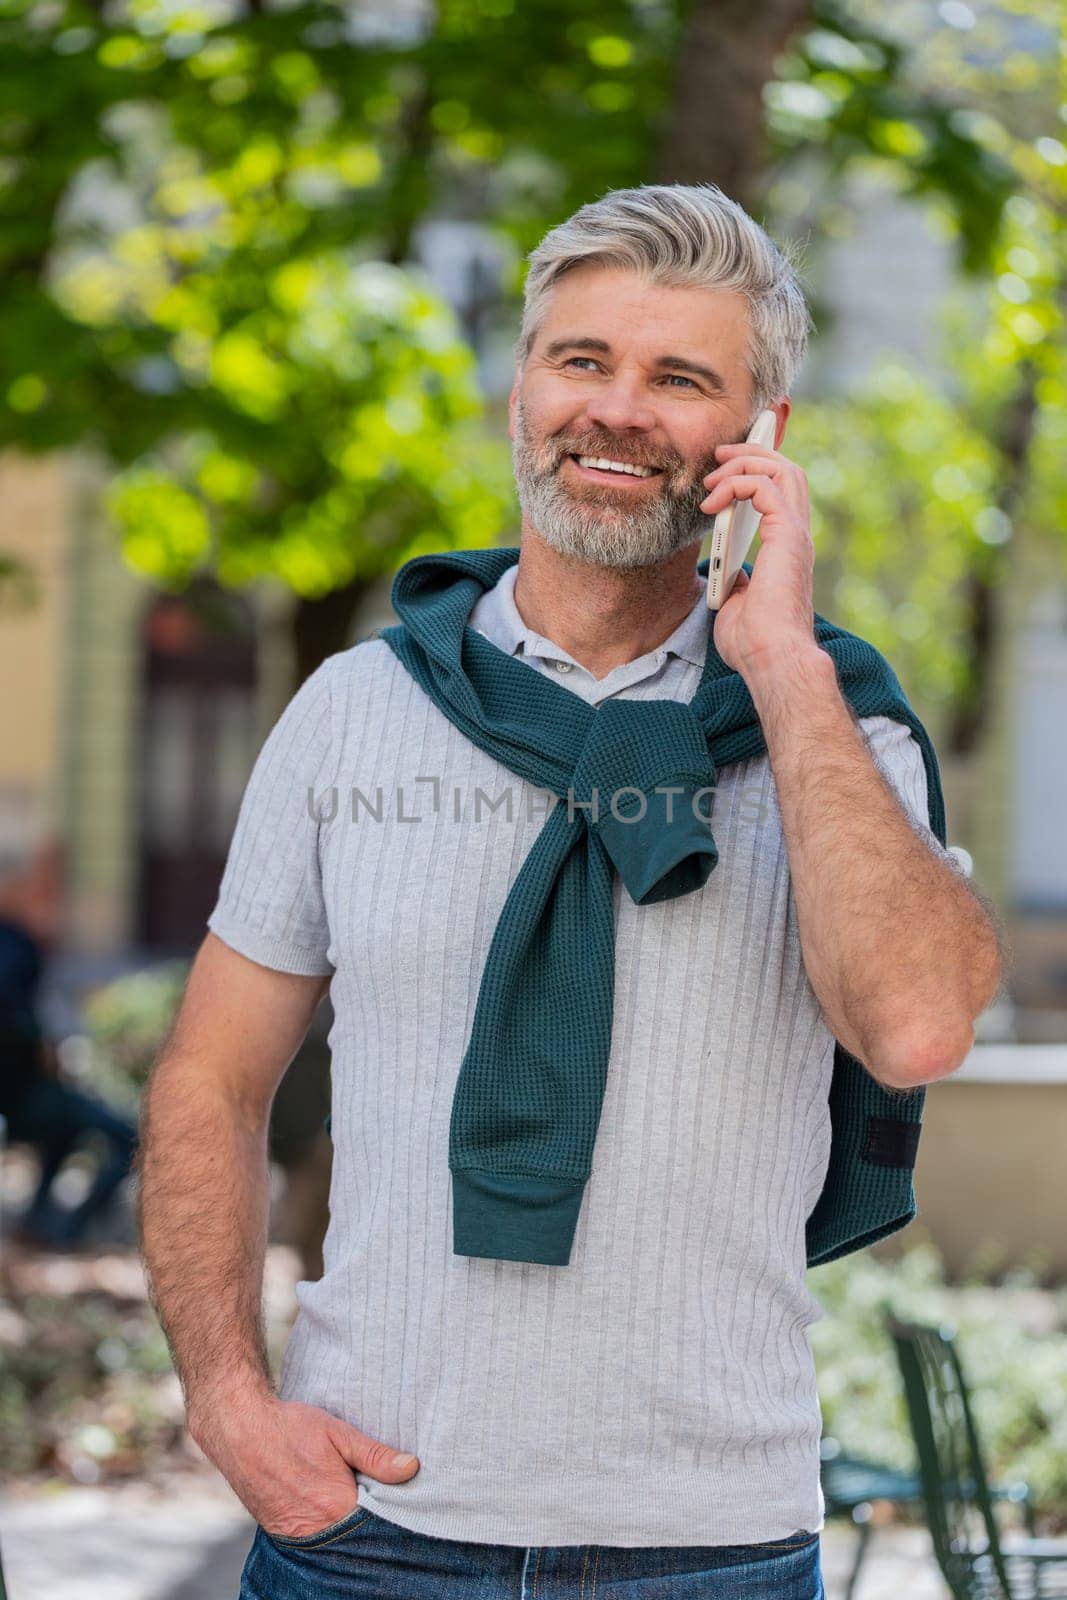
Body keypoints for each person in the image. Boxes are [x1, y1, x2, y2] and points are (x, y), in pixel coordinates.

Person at [136, 182, 1003, 1599]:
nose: (614, 408)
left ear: (754, 436)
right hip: (365, 1536)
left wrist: (777, 662)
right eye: (579, 360)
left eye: (677, 378)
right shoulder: (356, 710)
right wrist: (229, 1402)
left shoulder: (838, 734)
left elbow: (911, 1029)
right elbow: (209, 1084)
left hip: (710, 1550)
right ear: (520, 387)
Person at [0, 897, 138, 1250]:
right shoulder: (14, 942)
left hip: (27, 1091)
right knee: (127, 1136)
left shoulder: (18, 941)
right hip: (23, 1093)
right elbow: (10, 1010)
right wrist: (39, 1046)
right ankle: (66, 1230)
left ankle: (41, 1227)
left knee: (61, 1134)